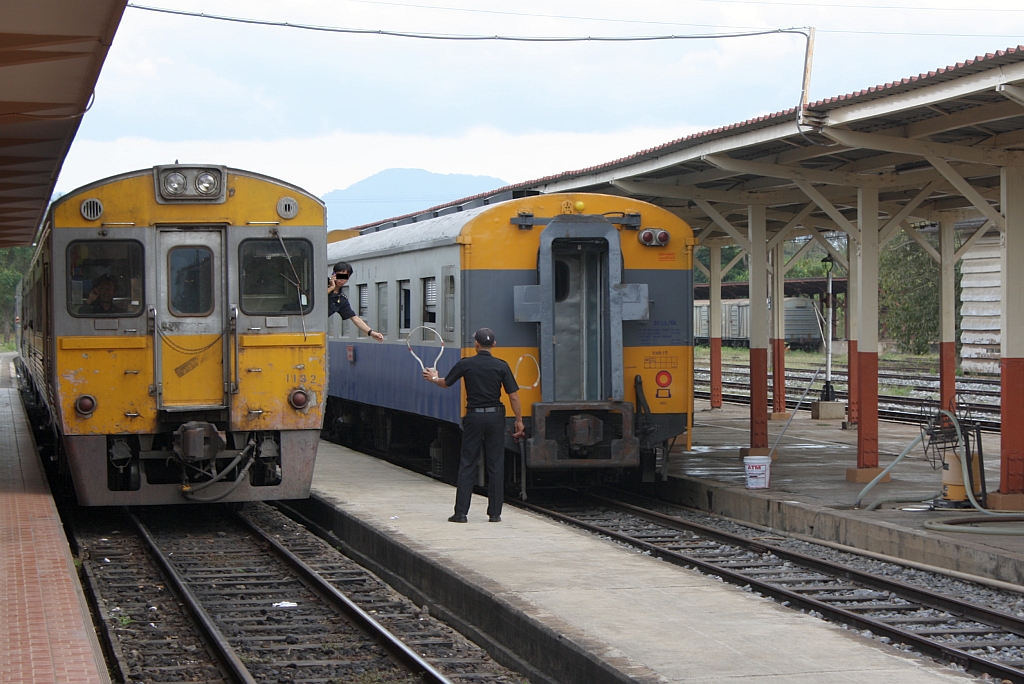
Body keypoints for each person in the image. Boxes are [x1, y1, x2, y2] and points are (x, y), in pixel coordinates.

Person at [423, 328, 525, 523]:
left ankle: (461, 513)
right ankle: (495, 514)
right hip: (496, 417)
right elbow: (513, 396)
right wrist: (519, 421)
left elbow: (445, 383)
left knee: (468, 463)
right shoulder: (501, 366)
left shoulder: (466, 364)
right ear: (494, 345)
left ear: (476, 344)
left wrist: (434, 377)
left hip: (474, 417)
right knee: (496, 464)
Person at [328, 261, 384, 341]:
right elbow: (317, 298)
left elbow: (355, 318)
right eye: (339, 276)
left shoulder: (342, 299)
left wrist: (371, 333)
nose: (341, 280)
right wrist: (331, 288)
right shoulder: (321, 284)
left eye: (345, 277)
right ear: (334, 274)